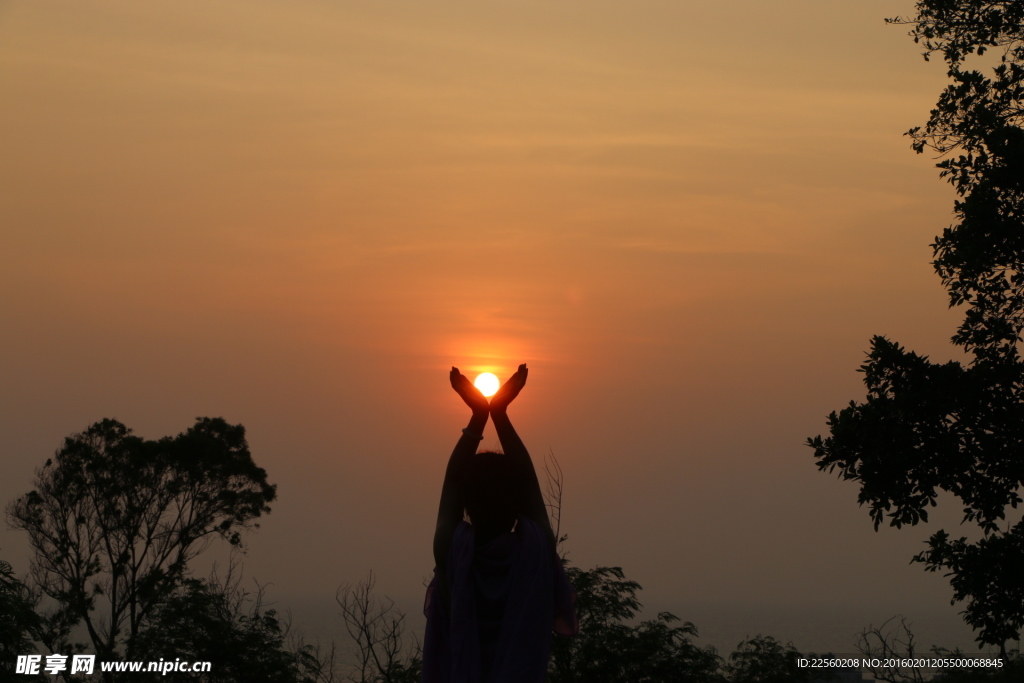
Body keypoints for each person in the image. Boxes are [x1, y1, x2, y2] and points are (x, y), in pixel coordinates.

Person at [422, 364, 577, 683]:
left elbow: (452, 482)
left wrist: (479, 414)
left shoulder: (451, 551)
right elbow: (531, 488)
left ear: (466, 503)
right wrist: (501, 414)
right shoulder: (535, 550)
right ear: (517, 501)